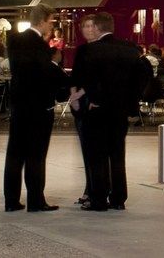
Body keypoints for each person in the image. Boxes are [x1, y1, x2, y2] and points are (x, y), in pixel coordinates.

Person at [68, 12, 149, 212]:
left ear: (96, 27)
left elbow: (88, 80)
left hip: (97, 110)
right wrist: (131, 103)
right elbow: (143, 75)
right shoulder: (130, 49)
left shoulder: (90, 50)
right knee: (117, 154)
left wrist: (94, 99)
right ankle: (118, 198)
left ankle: (98, 199)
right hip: (120, 111)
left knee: (97, 155)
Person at [3, 9, 67, 212]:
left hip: (19, 104)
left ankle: (11, 200)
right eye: (51, 21)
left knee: (15, 154)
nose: (52, 26)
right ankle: (36, 200)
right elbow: (43, 73)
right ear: (42, 21)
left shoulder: (14, 40)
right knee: (36, 155)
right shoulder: (39, 45)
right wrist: (58, 69)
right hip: (38, 106)